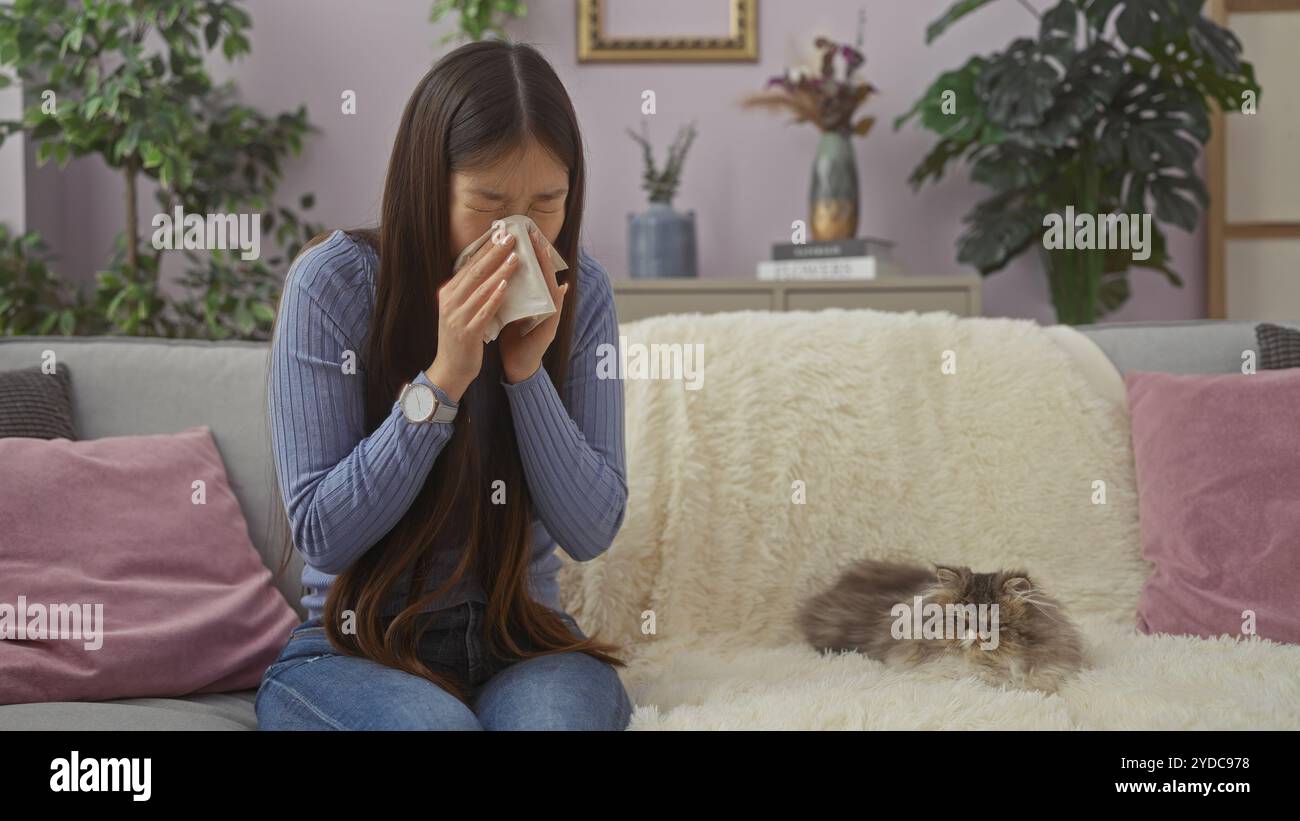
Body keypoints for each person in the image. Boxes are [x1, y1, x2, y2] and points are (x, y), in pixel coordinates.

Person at [255, 39, 632, 730]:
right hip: (355, 645)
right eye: (488, 203)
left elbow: (590, 528)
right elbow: (323, 534)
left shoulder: (585, 291)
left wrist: (525, 375)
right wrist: (444, 378)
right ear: (429, 187)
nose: (518, 234)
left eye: (547, 202)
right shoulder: (333, 285)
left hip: (523, 639)